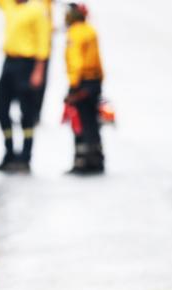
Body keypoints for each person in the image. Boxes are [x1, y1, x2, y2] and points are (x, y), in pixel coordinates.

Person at [0, 0, 50, 172]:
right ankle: (9, 153)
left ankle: (25, 157)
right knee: (2, 111)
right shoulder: (9, 4)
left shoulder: (37, 9)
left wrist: (39, 71)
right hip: (9, 63)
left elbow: (43, 42)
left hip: (27, 65)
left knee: (27, 113)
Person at [64, 3, 105, 174]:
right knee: (93, 123)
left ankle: (84, 162)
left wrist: (73, 87)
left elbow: (76, 62)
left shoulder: (75, 33)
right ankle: (96, 159)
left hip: (82, 82)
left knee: (81, 123)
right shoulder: (90, 30)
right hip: (94, 82)